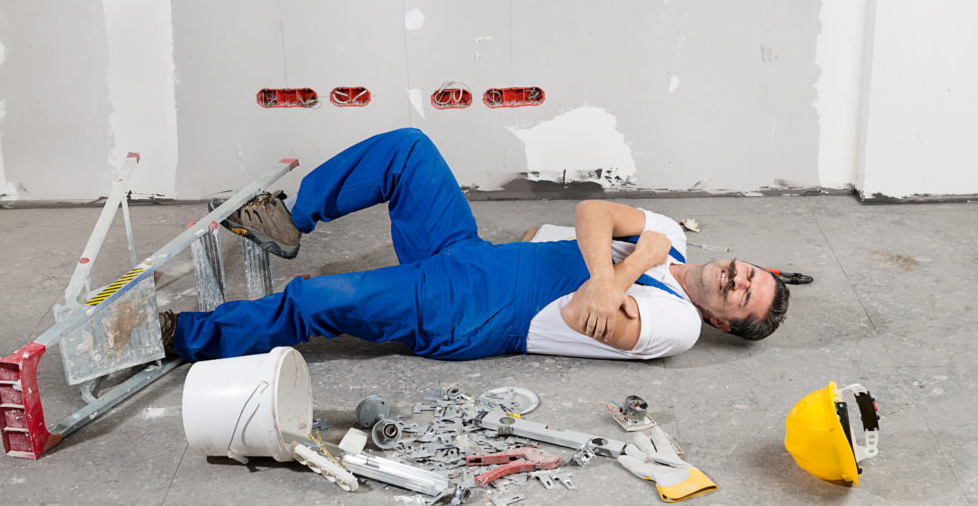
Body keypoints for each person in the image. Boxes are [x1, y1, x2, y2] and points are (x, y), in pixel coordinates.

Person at [159, 129, 788, 362]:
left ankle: (180, 337)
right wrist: (619, 269)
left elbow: (580, 315)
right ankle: (292, 220)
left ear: (722, 324)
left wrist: (632, 264)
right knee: (409, 151)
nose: (736, 279)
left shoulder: (676, 326)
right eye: (749, 274)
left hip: (475, 314)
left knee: (319, 300)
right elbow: (593, 210)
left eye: (742, 298)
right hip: (476, 257)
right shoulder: (672, 238)